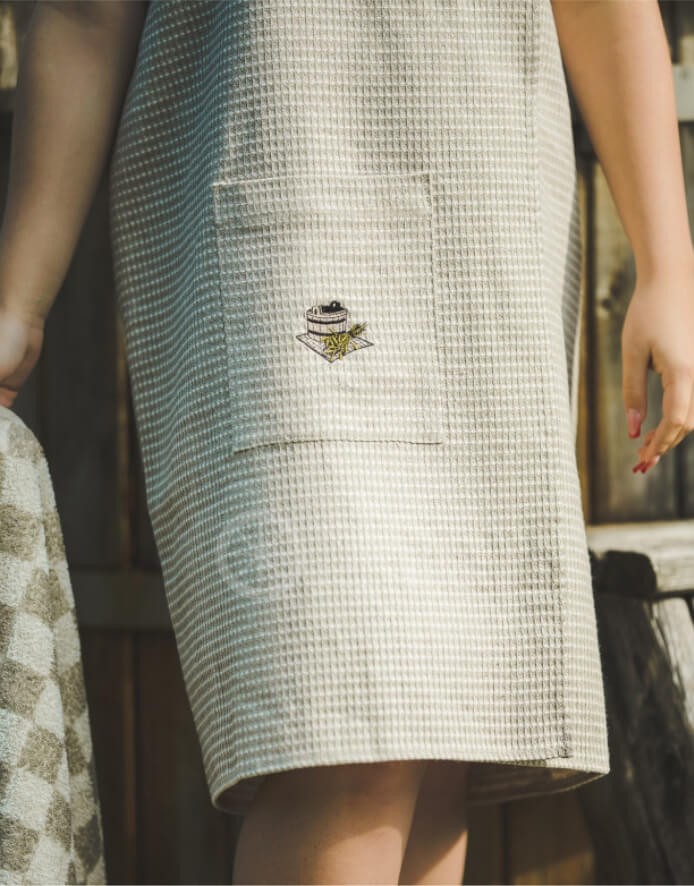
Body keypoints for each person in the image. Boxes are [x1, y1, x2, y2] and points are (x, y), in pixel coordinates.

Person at [0, 2, 692, 883]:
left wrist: (668, 266)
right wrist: (18, 301)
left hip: (488, 239)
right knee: (345, 725)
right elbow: (82, 14)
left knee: (436, 735)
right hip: (281, 209)